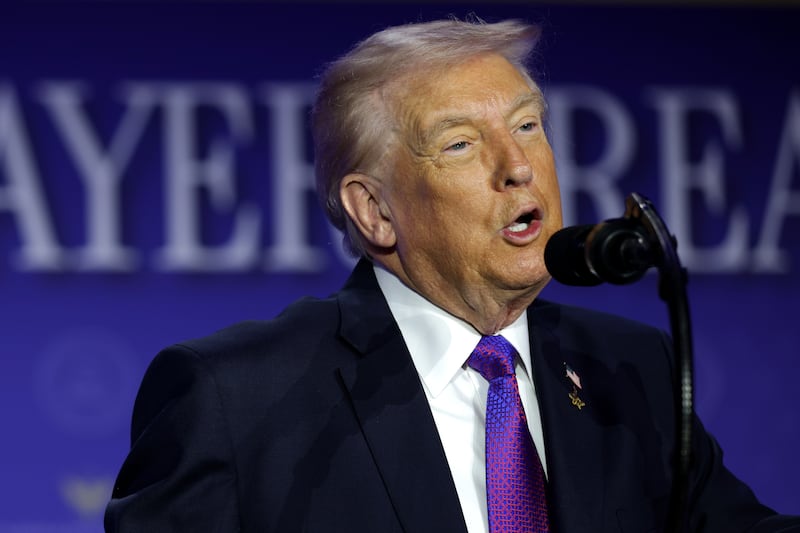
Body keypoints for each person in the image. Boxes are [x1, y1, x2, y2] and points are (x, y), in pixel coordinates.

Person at [104, 18, 798, 533]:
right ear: (374, 210)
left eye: (528, 126)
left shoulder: (628, 367)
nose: (517, 165)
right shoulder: (237, 398)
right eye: (461, 143)